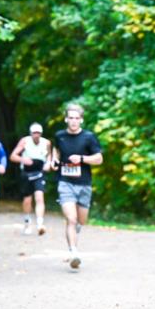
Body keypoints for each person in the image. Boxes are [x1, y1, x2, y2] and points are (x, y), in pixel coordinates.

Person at [52, 103, 102, 269]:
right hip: (65, 183)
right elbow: (56, 151)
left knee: (81, 221)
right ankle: (73, 252)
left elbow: (99, 159)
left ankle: (73, 240)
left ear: (81, 120)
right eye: (70, 118)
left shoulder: (89, 137)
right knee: (71, 219)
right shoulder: (60, 136)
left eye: (76, 118)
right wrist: (54, 161)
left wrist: (81, 159)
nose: (73, 121)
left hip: (84, 184)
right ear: (66, 119)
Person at [9, 123, 51, 235]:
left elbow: (49, 156)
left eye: (38, 133)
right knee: (27, 200)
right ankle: (27, 222)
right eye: (34, 133)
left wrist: (48, 164)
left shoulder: (46, 142)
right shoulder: (25, 141)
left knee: (39, 197)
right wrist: (23, 159)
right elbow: (13, 156)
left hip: (39, 173)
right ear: (31, 133)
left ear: (41, 133)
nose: (36, 135)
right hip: (27, 173)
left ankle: (40, 224)